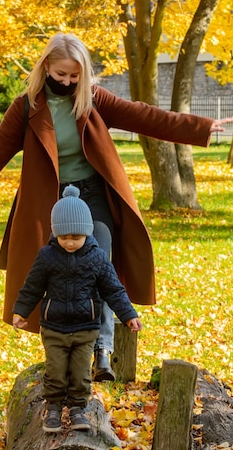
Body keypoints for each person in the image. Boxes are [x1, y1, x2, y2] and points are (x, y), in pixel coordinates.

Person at [0, 32, 233, 382]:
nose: (67, 82)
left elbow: (144, 117)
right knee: (55, 269)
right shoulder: (26, 108)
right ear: (46, 68)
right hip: (50, 201)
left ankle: (102, 351)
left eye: (74, 76)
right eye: (61, 75)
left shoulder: (93, 99)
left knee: (97, 259)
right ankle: (64, 351)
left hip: (93, 194)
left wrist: (201, 128)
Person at [12, 185, 142, 432]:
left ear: (87, 233)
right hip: (54, 328)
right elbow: (32, 287)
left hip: (85, 330)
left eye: (76, 237)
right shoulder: (48, 256)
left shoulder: (97, 257)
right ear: (55, 234)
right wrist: (21, 311)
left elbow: (113, 289)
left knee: (81, 373)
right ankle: (52, 408)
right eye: (64, 237)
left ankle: (77, 409)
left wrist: (129, 315)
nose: (70, 243)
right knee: (56, 371)